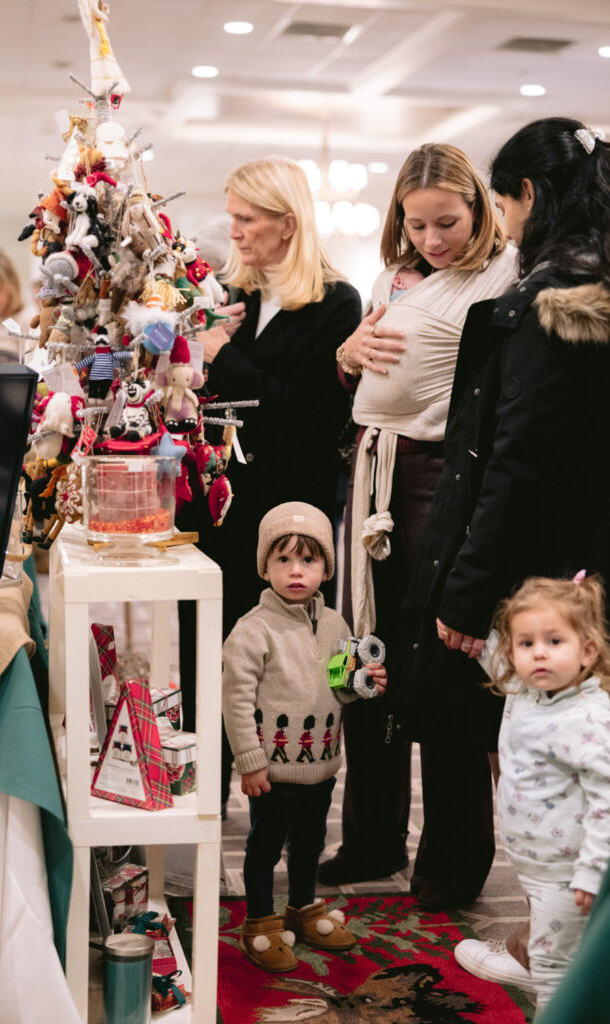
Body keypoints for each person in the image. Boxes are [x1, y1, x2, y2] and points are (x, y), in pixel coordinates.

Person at [388, 117, 610, 972]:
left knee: (548, 776)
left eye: (503, 203)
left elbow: (511, 463)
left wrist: (465, 589)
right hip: (582, 565)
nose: (505, 224)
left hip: (545, 580)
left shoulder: (549, 304)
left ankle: (550, 959)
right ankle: (544, 943)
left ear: (526, 195)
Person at [318, 143, 518, 895]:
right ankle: (372, 839)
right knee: (366, 657)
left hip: (442, 475)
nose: (433, 239)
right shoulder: (391, 279)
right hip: (374, 473)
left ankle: (453, 860)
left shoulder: (505, 276)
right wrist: (347, 354)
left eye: (448, 223)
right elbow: (364, 374)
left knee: (442, 662)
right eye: (417, 224)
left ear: (481, 210)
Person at [179, 156, 361, 809]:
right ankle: (203, 798)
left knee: (283, 666)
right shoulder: (238, 293)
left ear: (287, 223)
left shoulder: (337, 301)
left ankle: (283, 815)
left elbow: (304, 414)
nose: (233, 231)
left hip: (287, 512)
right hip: (220, 506)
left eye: (246, 218)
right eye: (232, 216)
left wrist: (223, 354)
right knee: (207, 649)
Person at [222, 502, 386, 971]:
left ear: (325, 568)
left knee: (310, 842)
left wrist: (364, 684)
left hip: (322, 765)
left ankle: (301, 907)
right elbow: (234, 700)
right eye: (284, 559)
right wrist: (250, 761)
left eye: (309, 560)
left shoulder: (335, 623)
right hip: (272, 771)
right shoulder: (252, 630)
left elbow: (340, 685)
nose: (297, 571)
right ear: (265, 566)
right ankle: (259, 921)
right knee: (264, 847)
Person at [477, 574, 610, 1011]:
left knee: (552, 968)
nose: (539, 653)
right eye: (526, 643)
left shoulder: (588, 717)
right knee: (563, 960)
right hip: (538, 866)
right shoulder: (531, 693)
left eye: (554, 641)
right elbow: (494, 658)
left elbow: (607, 802)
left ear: (587, 651)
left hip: (569, 874)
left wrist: (592, 873)